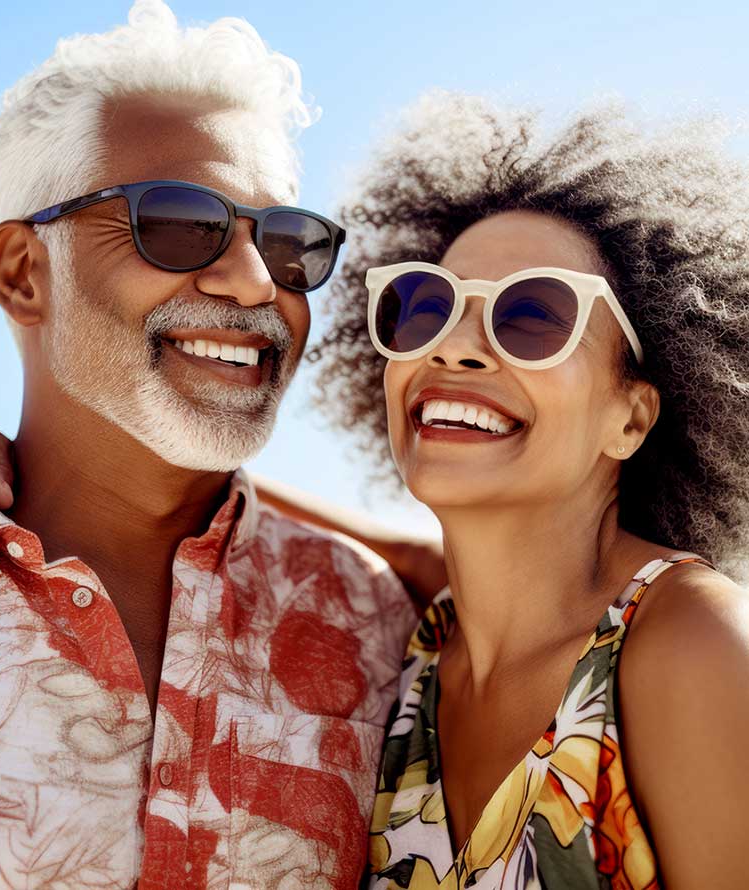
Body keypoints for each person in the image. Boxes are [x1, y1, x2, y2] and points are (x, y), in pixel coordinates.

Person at [0, 2, 423, 888]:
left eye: (288, 243)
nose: (254, 284)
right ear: (24, 272)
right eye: (174, 222)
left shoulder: (383, 629)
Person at [305, 94, 749, 888]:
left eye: (535, 315)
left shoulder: (695, 646)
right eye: (428, 308)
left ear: (631, 417)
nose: (458, 348)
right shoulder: (419, 642)